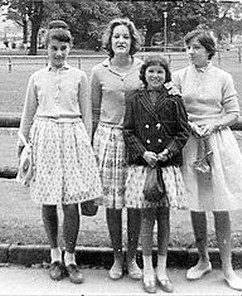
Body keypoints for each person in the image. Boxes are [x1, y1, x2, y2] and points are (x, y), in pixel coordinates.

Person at [172, 29, 242, 291]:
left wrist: (214, 125)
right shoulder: (178, 76)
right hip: (189, 142)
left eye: (195, 47)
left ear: (208, 50)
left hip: (217, 144)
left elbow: (233, 113)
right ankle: (202, 260)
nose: (190, 52)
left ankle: (228, 267)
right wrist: (189, 124)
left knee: (221, 204)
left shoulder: (223, 77)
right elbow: (174, 109)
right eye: (188, 47)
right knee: (196, 203)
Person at [17, 20, 101, 284]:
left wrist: (85, 145)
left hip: (72, 135)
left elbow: (87, 115)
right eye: (54, 48)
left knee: (71, 200)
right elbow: (28, 113)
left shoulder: (79, 76)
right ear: (46, 49)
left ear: (70, 47)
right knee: (49, 199)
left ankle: (70, 257)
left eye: (64, 48)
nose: (59, 53)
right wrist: (23, 144)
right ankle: (54, 255)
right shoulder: (37, 78)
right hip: (45, 137)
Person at [123, 55, 190, 294]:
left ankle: (162, 268)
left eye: (160, 72)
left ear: (166, 76)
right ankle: (148, 268)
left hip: (166, 165)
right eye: (151, 71)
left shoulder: (174, 100)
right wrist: (144, 153)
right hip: (144, 165)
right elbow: (128, 131)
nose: (155, 76)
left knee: (164, 216)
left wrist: (166, 152)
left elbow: (183, 132)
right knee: (146, 217)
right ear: (144, 74)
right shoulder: (134, 99)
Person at [90, 18, 144, 280]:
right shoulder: (99, 71)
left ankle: (133, 259)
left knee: (134, 201)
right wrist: (90, 147)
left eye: (125, 36)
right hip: (107, 139)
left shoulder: (144, 69)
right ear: (109, 42)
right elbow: (94, 111)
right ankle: (116, 257)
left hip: (136, 140)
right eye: (116, 37)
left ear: (132, 40)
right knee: (112, 204)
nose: (121, 41)